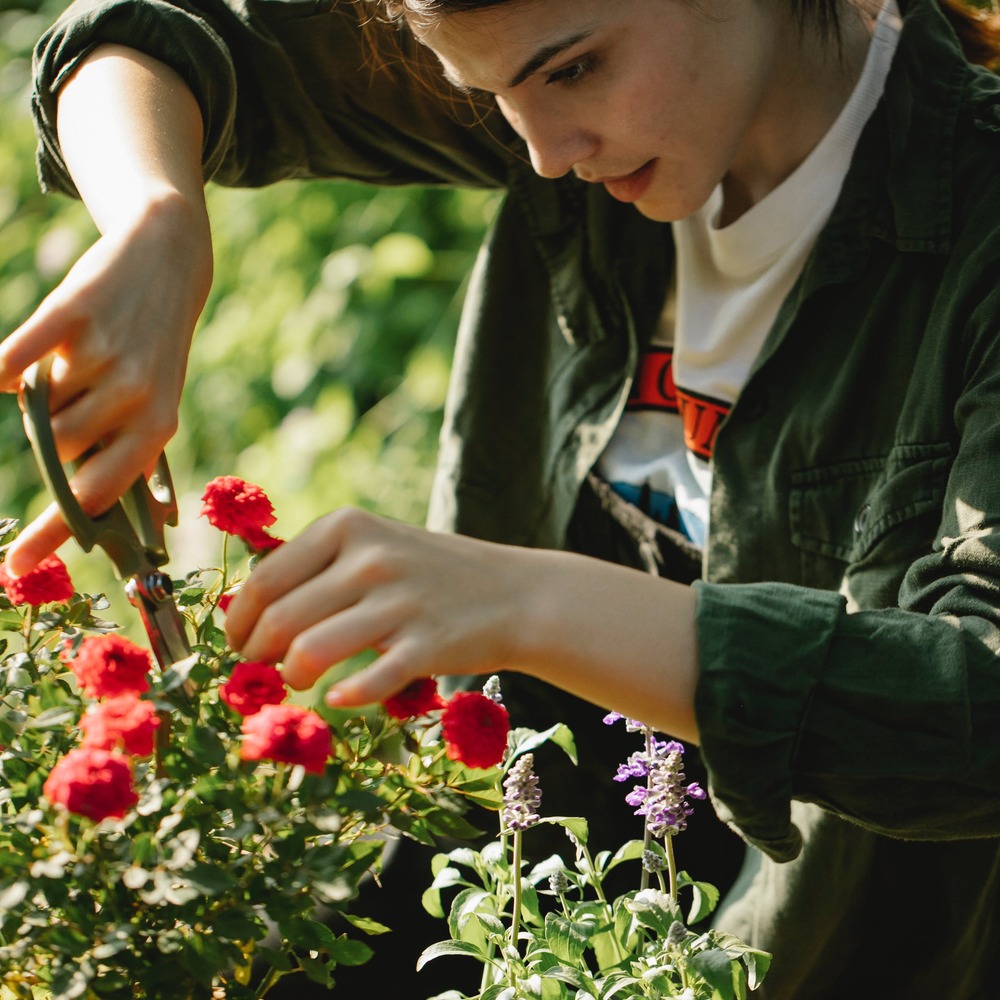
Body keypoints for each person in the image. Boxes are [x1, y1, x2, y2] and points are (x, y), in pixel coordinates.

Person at [6, 0, 1000, 996]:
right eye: (479, 94)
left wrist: (527, 605)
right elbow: (140, 33)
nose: (542, 155)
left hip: (824, 940)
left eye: (570, 72)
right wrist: (158, 219)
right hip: (498, 885)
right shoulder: (563, 82)